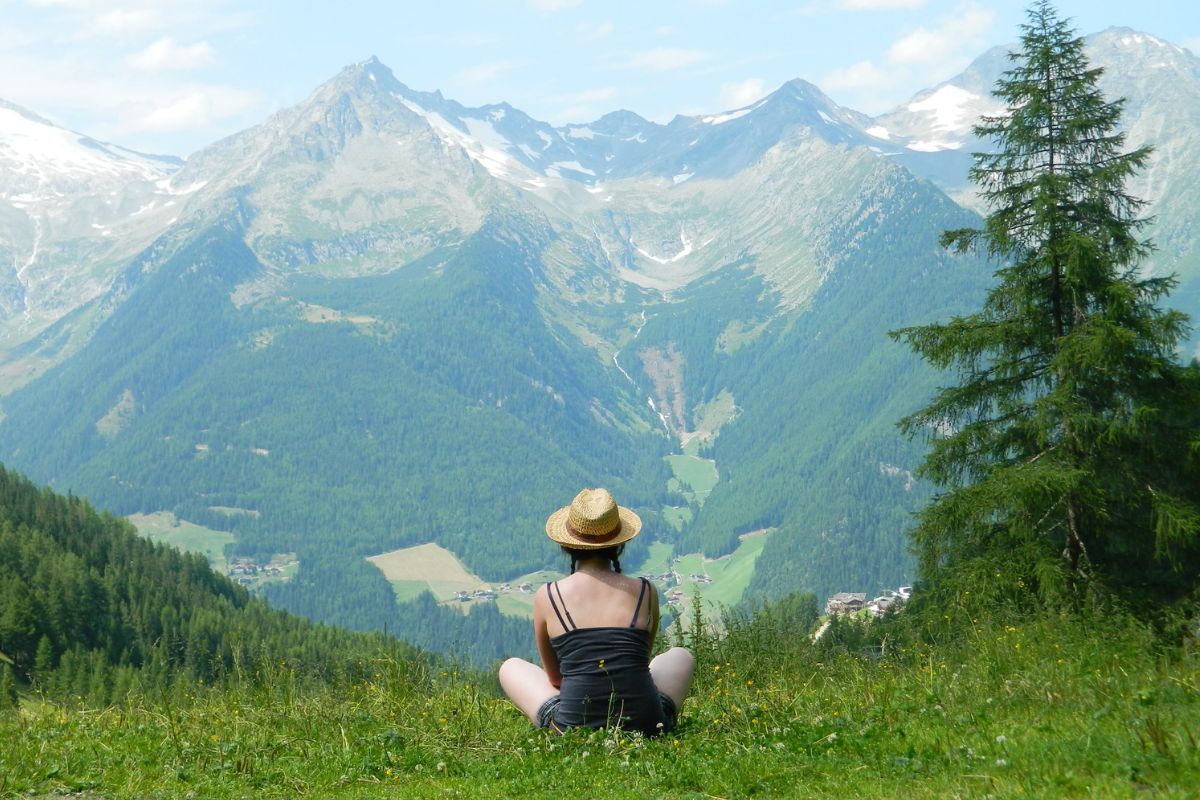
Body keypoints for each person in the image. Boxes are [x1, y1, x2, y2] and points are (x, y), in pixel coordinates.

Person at [499, 487, 695, 736]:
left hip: (572, 728)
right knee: (681, 655)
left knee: (510, 667)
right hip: (647, 725)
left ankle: (569, 720)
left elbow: (556, 679)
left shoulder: (548, 596)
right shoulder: (645, 592)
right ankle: (651, 713)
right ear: (619, 544)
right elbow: (639, 662)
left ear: (568, 545)